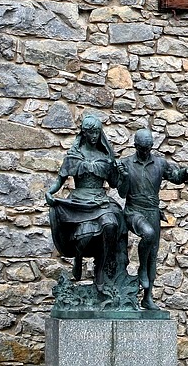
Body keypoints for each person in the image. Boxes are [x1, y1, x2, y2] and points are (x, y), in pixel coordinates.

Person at [45, 114, 128, 296]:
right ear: (85, 133)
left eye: (97, 132)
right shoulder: (74, 156)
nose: (95, 136)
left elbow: (115, 182)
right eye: (91, 132)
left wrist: (121, 174)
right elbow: (60, 180)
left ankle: (102, 268)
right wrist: (49, 193)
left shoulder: (105, 156)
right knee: (83, 238)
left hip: (100, 199)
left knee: (111, 224)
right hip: (79, 201)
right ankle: (78, 257)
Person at [116, 128, 188, 310]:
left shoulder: (160, 163)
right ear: (135, 145)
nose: (145, 151)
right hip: (133, 210)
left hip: (152, 211)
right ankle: (141, 270)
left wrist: (186, 171)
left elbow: (175, 177)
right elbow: (122, 193)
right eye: (142, 148)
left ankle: (147, 298)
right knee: (148, 233)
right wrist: (123, 177)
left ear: (152, 146)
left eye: (148, 148)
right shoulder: (126, 163)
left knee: (153, 254)